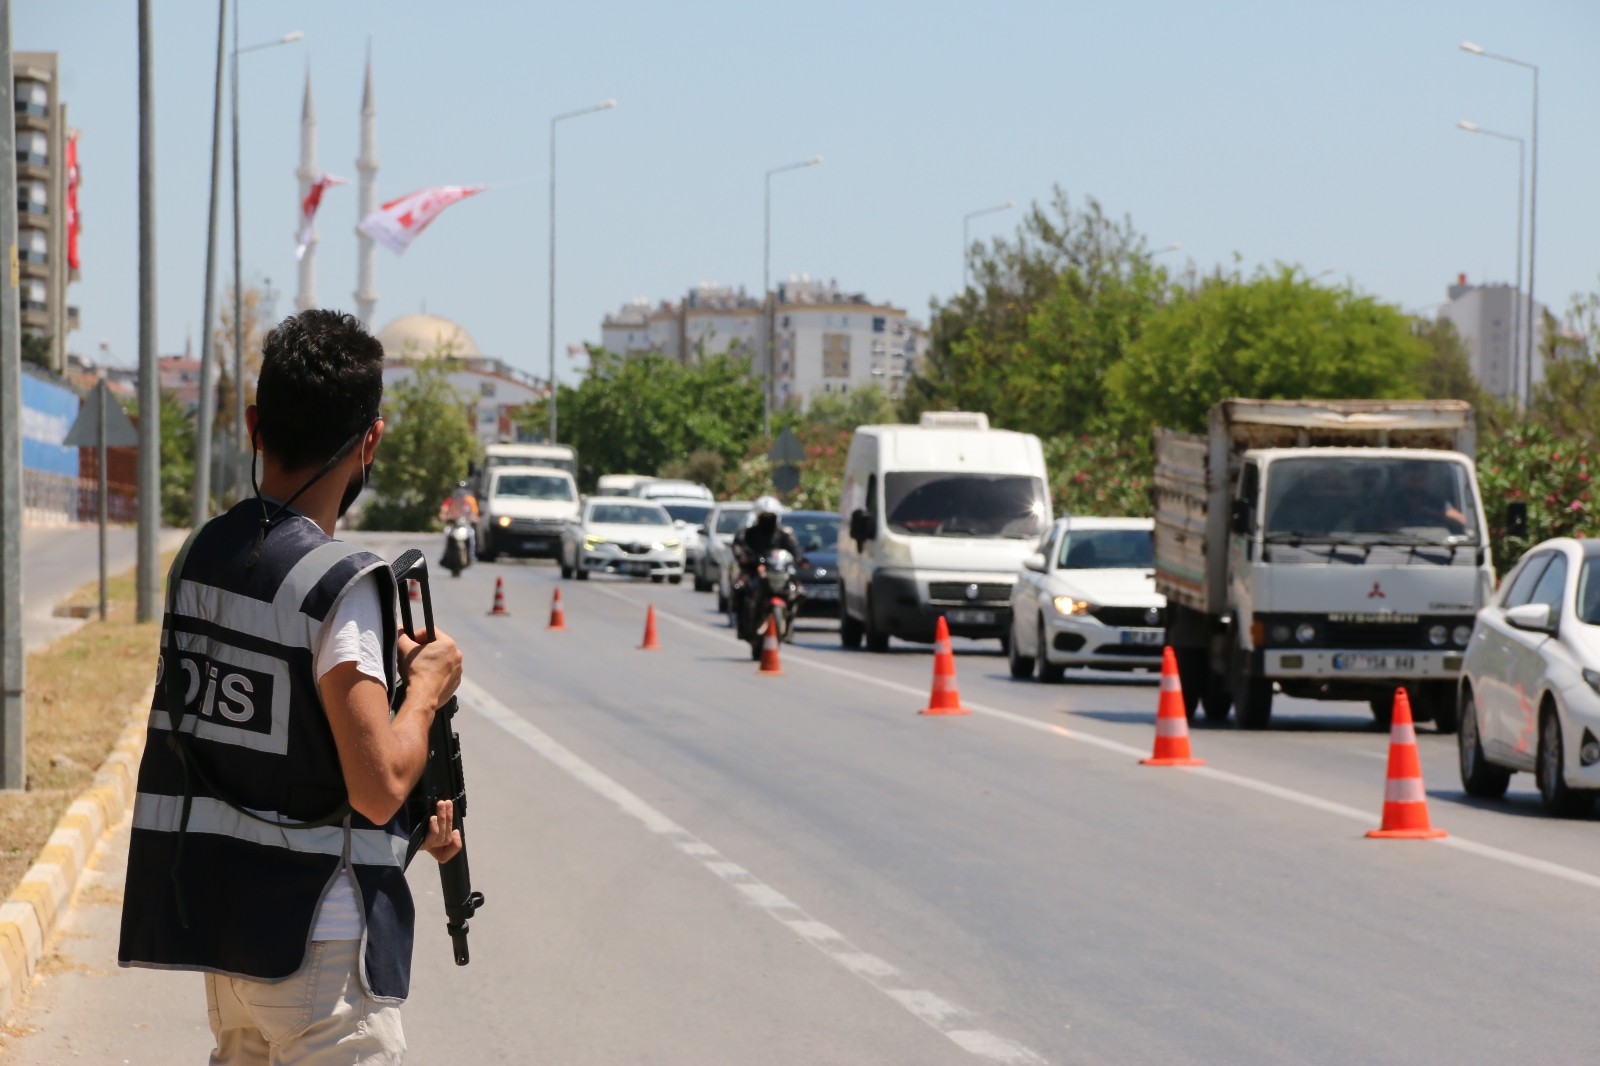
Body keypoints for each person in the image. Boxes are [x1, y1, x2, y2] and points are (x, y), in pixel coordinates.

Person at [118, 309, 464, 1066]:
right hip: (321, 953)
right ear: (370, 441)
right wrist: (427, 689)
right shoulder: (339, 586)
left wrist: (411, 831)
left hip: (227, 941)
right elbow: (375, 787)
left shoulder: (200, 559)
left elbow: (268, 761)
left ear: (253, 426)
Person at [730, 495, 801, 639]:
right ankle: (741, 622)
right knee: (739, 587)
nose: (768, 520)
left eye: (771, 517)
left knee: (798, 591)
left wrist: (800, 558)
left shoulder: (783, 534)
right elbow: (738, 546)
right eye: (765, 517)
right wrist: (745, 558)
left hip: (776, 572)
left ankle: (789, 621)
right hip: (753, 571)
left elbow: (793, 550)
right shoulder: (748, 534)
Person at [1384, 460, 1467, 534]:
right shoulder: (1392, 501)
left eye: (1421, 478)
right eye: (1413, 478)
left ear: (1426, 478)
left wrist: (1431, 512)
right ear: (1403, 477)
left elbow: (1461, 520)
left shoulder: (1437, 502)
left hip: (1435, 544)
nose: (1416, 482)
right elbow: (1383, 526)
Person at [439, 478, 479, 561]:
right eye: (459, 489)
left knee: (471, 534)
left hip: (465, 525)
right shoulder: (450, 500)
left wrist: (475, 519)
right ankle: (446, 554)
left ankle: (471, 555)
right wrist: (444, 517)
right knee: (447, 532)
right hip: (453, 525)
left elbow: (474, 514)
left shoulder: (470, 501)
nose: (461, 492)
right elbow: (443, 510)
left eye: (464, 490)